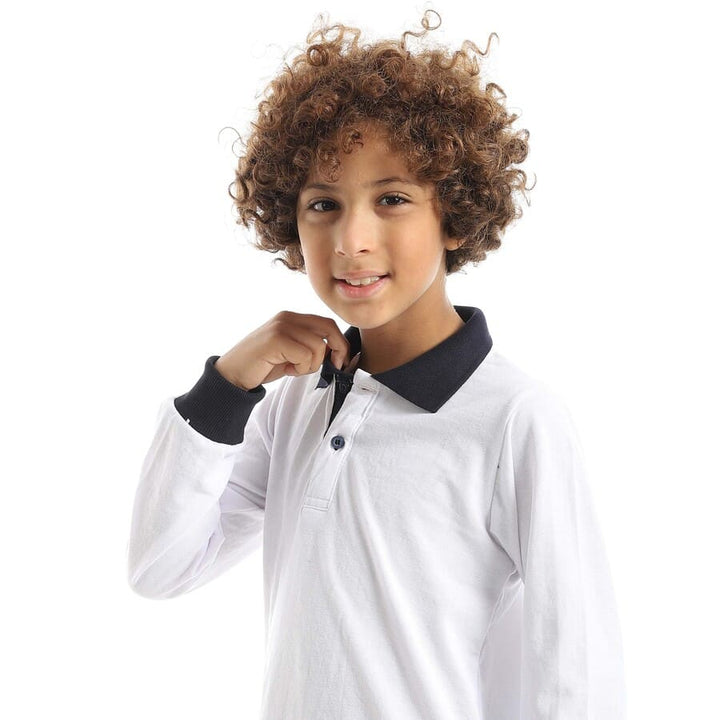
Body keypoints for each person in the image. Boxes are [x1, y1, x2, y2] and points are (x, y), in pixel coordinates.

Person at [126, 9, 627, 719]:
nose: (350, 239)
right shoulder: (297, 400)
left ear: (453, 215)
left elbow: (576, 673)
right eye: (323, 204)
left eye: (392, 199)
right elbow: (160, 567)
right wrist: (227, 387)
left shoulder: (517, 420)